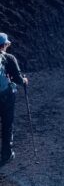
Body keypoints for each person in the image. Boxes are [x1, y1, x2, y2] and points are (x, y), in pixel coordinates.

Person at [0, 33, 28, 165]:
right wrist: (25, 80)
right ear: (5, 44)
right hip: (5, 95)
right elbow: (17, 79)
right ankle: (6, 154)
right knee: (7, 123)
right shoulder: (9, 58)